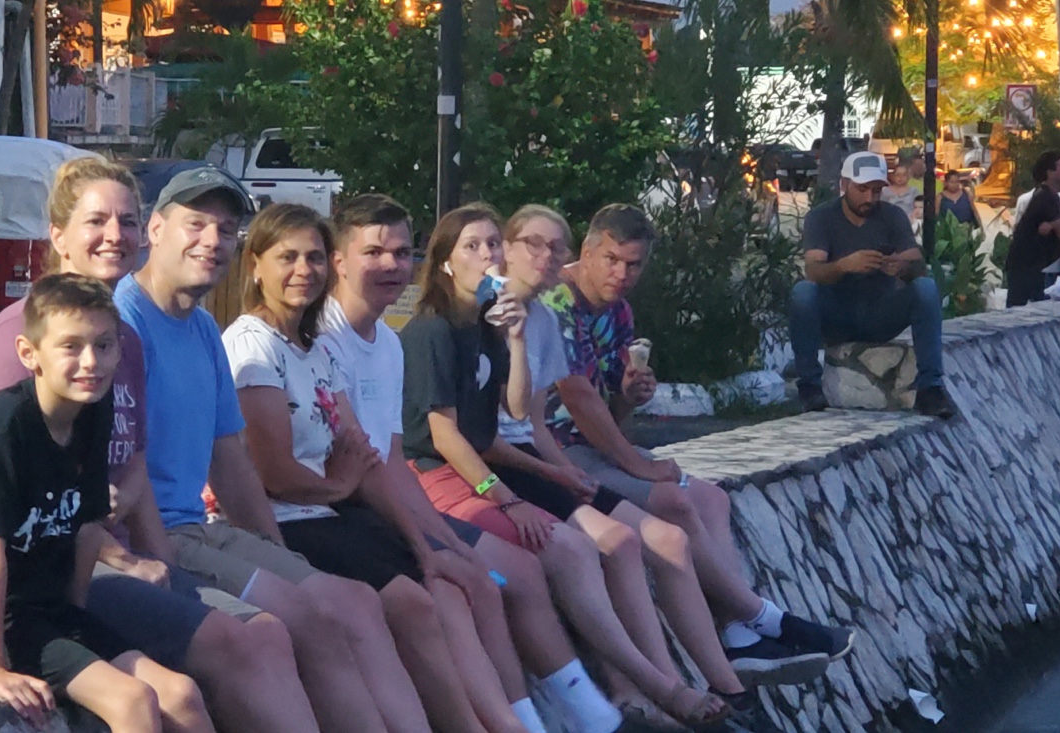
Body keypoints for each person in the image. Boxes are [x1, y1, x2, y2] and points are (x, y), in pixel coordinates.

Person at [0, 157, 321, 733]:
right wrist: (123, 559)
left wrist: (167, 571)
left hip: (110, 564)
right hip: (47, 583)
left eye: (126, 221)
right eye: (96, 221)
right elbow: (19, 505)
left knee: (265, 634)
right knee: (227, 650)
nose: (115, 235)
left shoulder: (120, 340)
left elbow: (134, 470)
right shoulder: (23, 337)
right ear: (59, 236)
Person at [318, 195, 681, 733]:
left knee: (504, 575)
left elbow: (513, 413)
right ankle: (618, 700)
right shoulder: (420, 333)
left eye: (492, 244)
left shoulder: (448, 334)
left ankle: (610, 705)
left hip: (416, 484)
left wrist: (513, 338)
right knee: (498, 576)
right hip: (412, 484)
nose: (488, 255)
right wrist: (502, 502)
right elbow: (440, 440)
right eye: (474, 245)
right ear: (445, 261)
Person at [116, 167, 434, 733]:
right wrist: (163, 561)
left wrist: (276, 555)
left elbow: (230, 461)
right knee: (292, 622)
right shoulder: (125, 322)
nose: (212, 240)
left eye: (226, 230)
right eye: (196, 224)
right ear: (155, 229)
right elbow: (120, 468)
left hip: (199, 528)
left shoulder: (203, 330)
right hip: (149, 538)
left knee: (344, 603)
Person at [222, 203, 542, 733]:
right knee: (410, 604)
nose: (304, 270)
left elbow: (370, 460)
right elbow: (276, 475)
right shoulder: (251, 345)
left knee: (452, 586)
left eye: (313, 257)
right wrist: (342, 483)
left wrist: (430, 548)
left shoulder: (315, 348)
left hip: (330, 509)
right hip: (289, 517)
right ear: (255, 265)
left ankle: (508, 722)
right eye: (288, 258)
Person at [541, 202, 858, 681]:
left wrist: (629, 396)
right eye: (611, 260)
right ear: (586, 251)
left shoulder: (619, 313)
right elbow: (577, 397)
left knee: (711, 499)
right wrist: (639, 465)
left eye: (633, 264)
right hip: (554, 451)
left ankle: (737, 638)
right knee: (673, 501)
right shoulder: (557, 302)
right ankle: (765, 618)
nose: (622, 274)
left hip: (591, 445)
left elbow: (607, 412)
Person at [0, 274, 212, 733]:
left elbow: (87, 529)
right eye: (71, 347)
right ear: (29, 353)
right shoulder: (0, 430)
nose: (91, 362)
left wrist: (75, 622)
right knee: (132, 700)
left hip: (46, 614)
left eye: (104, 345)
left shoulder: (93, 410)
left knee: (181, 695)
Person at [789, 152, 955, 419]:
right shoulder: (821, 217)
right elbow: (813, 271)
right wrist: (844, 265)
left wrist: (901, 266)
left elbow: (918, 265)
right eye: (862, 189)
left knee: (926, 288)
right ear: (844, 185)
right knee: (803, 292)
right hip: (838, 314)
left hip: (880, 313)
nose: (869, 198)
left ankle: (930, 388)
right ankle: (809, 386)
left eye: (876, 191)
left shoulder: (892, 216)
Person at [1005, 151, 1060, 306]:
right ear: (1050, 172)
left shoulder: (1052, 196)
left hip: (1034, 264)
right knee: (1019, 310)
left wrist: (1054, 224)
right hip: (1026, 264)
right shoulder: (1045, 198)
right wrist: (1059, 224)